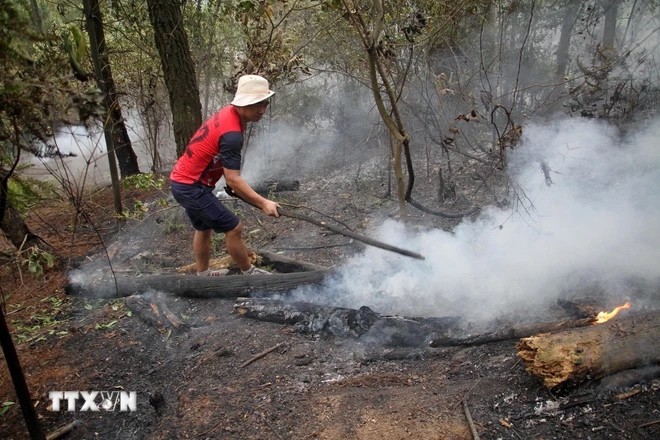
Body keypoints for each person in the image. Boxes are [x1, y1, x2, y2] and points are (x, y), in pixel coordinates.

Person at [169, 75, 281, 276]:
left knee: (203, 228)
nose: (262, 109)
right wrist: (264, 203)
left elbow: (214, 156)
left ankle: (202, 275)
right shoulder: (232, 134)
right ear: (243, 103)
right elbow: (233, 178)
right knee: (234, 228)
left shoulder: (228, 114)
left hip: (184, 182)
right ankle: (249, 272)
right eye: (257, 104)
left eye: (264, 103)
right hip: (191, 187)